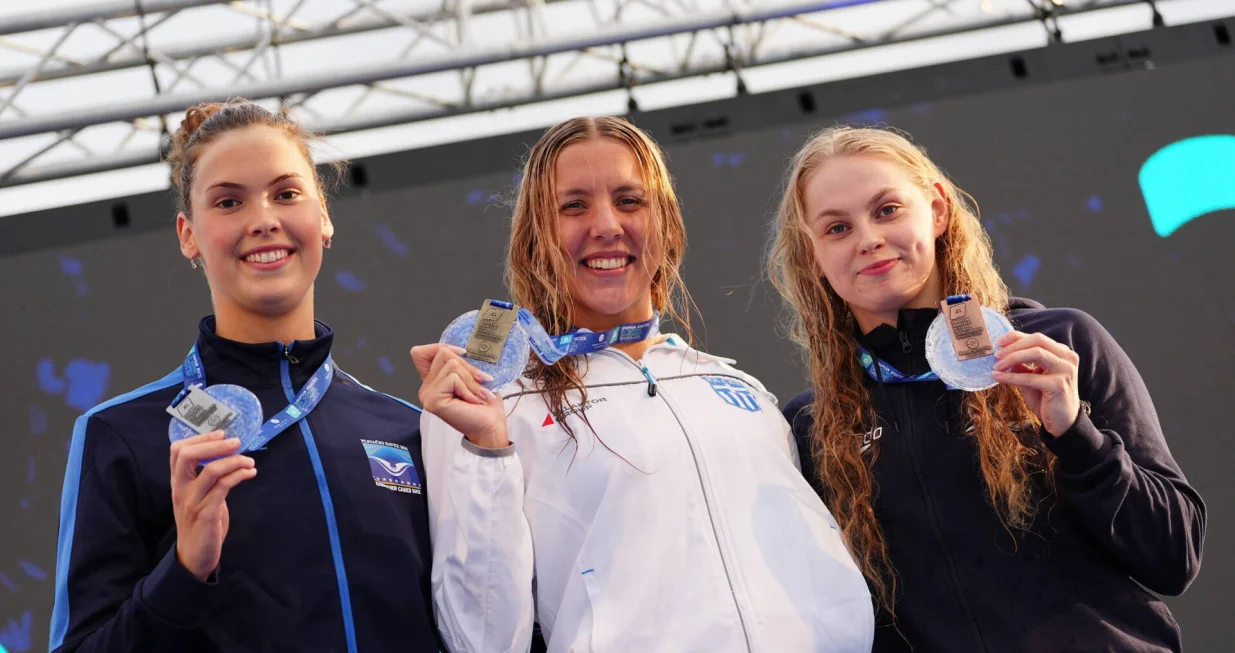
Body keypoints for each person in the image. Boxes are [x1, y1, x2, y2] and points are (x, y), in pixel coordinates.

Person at [412, 116, 874, 653]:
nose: (607, 224)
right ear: (535, 233)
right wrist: (485, 449)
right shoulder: (492, 403)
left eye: (630, 201)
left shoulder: (733, 386)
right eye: (574, 205)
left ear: (667, 223)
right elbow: (481, 639)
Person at [767, 125, 1205, 652]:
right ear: (812, 256)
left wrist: (1075, 436)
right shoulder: (814, 425)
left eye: (887, 210)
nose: (868, 239)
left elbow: (1173, 555)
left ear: (936, 210)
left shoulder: (1058, 343)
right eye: (837, 228)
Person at [50, 100, 441, 653]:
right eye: (229, 201)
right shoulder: (121, 436)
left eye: (286, 194)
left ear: (323, 215)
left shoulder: (411, 431)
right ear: (189, 235)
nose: (263, 219)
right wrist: (185, 571)